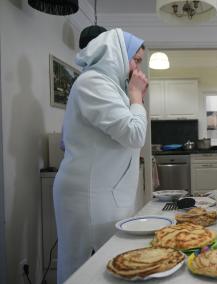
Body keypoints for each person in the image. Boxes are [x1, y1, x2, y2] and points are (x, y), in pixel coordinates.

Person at [53, 28, 148, 283]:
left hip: (103, 192)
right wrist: (137, 97)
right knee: (84, 268)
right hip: (88, 195)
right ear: (118, 54)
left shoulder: (110, 86)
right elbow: (134, 134)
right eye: (136, 60)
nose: (138, 68)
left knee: (107, 265)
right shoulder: (93, 82)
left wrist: (133, 98)